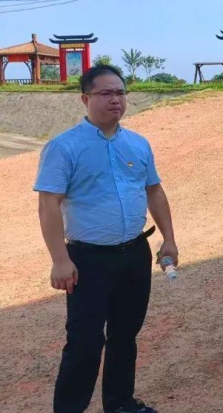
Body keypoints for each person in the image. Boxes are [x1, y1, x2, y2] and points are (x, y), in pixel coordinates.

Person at [35, 65, 177, 413]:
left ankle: (120, 403)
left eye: (120, 93)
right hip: (88, 260)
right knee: (84, 341)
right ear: (85, 98)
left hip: (134, 253)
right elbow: (48, 204)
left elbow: (154, 192)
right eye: (106, 93)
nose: (116, 99)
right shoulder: (64, 147)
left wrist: (169, 239)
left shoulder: (137, 144)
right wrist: (60, 260)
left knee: (125, 335)